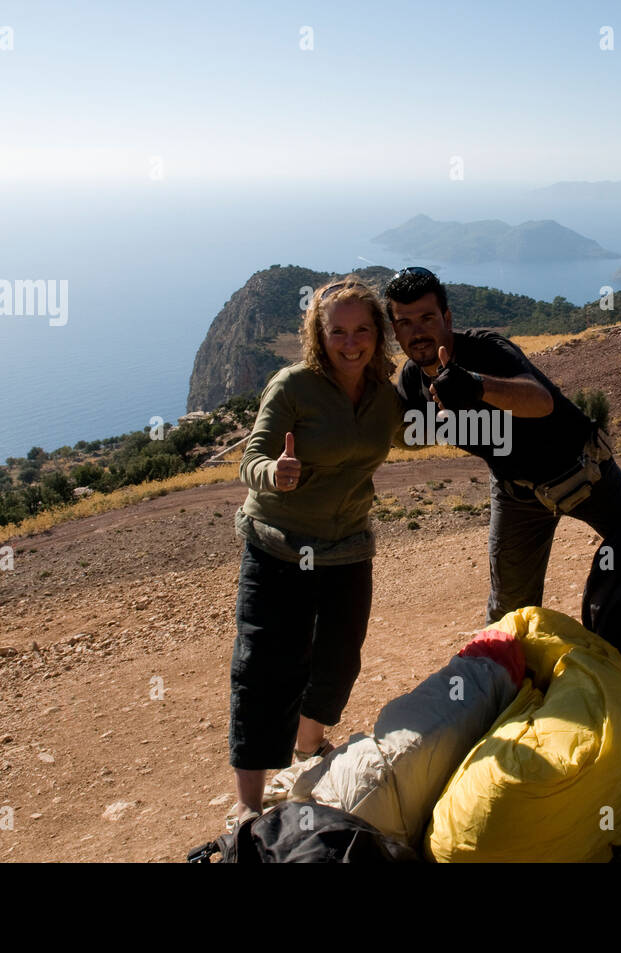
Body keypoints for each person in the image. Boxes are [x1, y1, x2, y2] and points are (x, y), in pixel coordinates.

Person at [385, 266, 621, 625]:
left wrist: (476, 385)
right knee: (508, 610)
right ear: (395, 330)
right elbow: (397, 430)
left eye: (427, 317)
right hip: (516, 494)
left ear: (447, 318)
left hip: (584, 473)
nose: (417, 332)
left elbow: (540, 401)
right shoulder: (412, 379)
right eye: (404, 322)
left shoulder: (486, 350)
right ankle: (512, 677)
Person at [228, 277, 401, 824]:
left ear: (377, 334)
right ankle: (248, 804)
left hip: (348, 546)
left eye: (361, 330)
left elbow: (414, 431)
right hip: (278, 547)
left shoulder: (385, 396)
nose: (350, 342)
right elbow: (249, 460)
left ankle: (307, 750)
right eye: (337, 332)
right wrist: (272, 473)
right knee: (263, 667)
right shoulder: (293, 387)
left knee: (338, 659)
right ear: (318, 336)